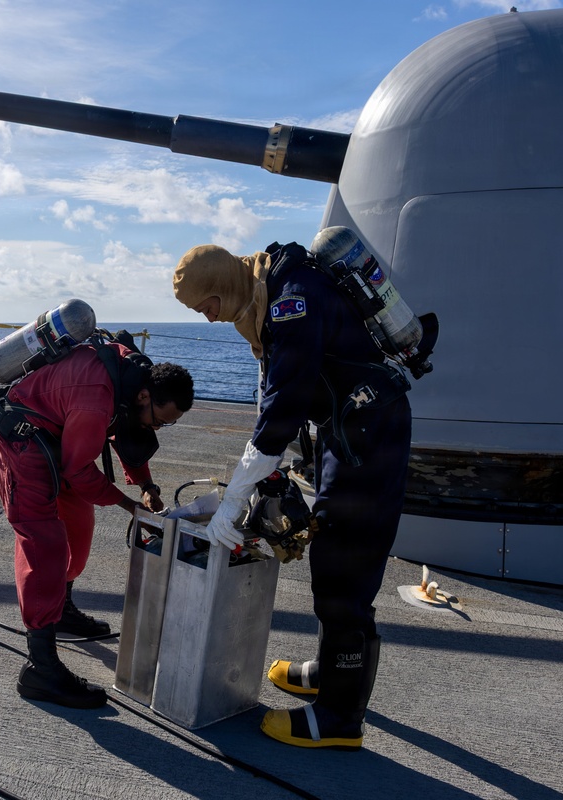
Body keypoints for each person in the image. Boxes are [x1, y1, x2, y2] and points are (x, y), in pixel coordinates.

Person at [172, 240, 413, 749]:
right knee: (330, 554)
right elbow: (275, 392)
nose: (211, 319)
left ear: (222, 285)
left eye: (207, 306)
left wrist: (236, 498)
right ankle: (330, 672)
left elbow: (283, 405)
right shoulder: (267, 290)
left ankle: (340, 719)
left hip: (368, 437)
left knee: (344, 572)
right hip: (347, 432)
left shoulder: (292, 301)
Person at [0, 338, 194, 709]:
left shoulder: (133, 374)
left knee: (79, 527)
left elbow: (130, 431)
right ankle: (40, 667)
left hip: (59, 434)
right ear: (146, 397)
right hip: (22, 438)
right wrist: (130, 506)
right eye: (162, 420)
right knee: (44, 543)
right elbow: (79, 470)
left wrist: (146, 486)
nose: (160, 429)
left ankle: (61, 608)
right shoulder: (94, 397)